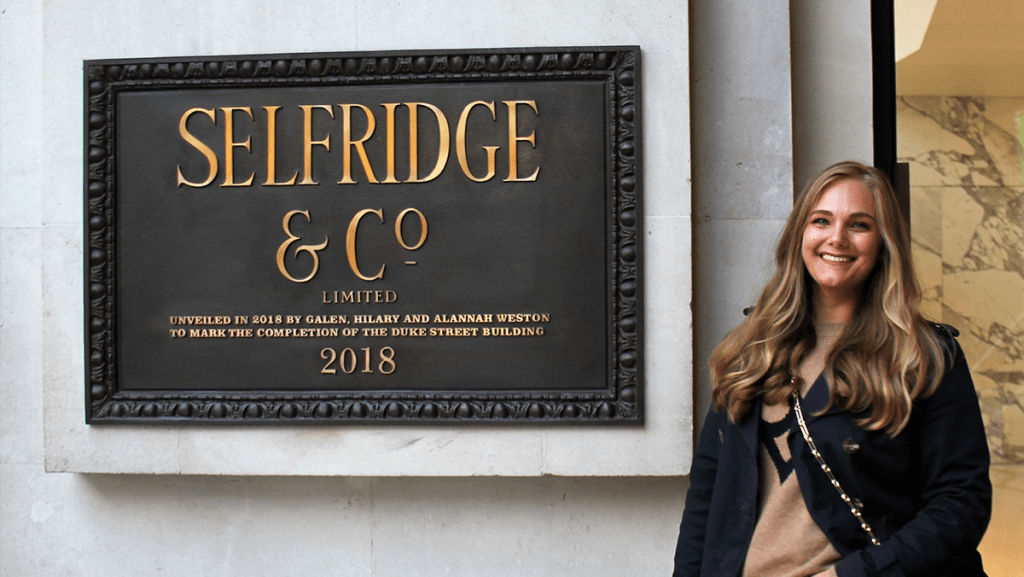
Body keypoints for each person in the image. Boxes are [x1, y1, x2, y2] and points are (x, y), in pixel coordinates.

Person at [673, 161, 991, 576]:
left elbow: (960, 504)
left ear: (883, 243)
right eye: (821, 220)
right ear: (800, 234)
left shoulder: (924, 355)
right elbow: (706, 498)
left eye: (859, 225)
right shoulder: (750, 351)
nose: (836, 238)